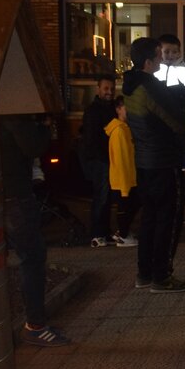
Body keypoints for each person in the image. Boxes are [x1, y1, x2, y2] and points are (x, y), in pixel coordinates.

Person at [123, 37, 185, 293]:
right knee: (168, 219)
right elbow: (181, 125)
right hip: (163, 161)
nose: (162, 59)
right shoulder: (150, 87)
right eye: (157, 55)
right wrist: (184, 113)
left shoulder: (129, 86)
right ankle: (161, 276)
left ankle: (145, 272)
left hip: (144, 161)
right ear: (148, 61)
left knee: (149, 219)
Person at [0, 114, 71, 347]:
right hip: (16, 195)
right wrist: (45, 126)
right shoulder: (14, 114)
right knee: (32, 257)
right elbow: (34, 146)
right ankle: (35, 325)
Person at [82, 74, 117, 247]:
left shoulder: (111, 108)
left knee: (107, 197)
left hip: (107, 158)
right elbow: (92, 138)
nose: (109, 92)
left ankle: (104, 232)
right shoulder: (94, 110)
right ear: (98, 89)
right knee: (102, 197)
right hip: (100, 159)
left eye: (111, 88)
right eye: (106, 89)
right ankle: (97, 233)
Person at [104, 95, 139, 247]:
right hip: (124, 178)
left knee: (129, 206)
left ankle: (123, 233)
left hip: (126, 176)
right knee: (126, 207)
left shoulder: (123, 128)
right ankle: (123, 234)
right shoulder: (119, 131)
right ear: (118, 109)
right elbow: (122, 158)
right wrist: (125, 184)